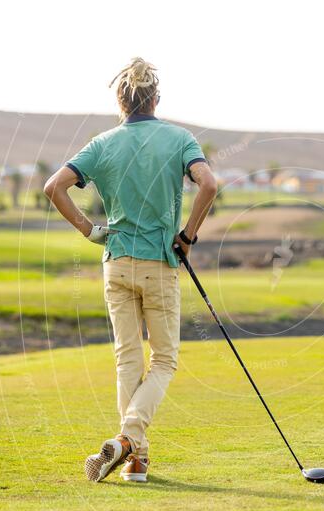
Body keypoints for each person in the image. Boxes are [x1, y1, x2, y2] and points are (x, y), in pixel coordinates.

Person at [43, 57, 217, 483]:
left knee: (128, 359)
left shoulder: (102, 144)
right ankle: (127, 440)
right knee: (165, 361)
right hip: (159, 264)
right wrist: (188, 235)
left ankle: (137, 461)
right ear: (155, 99)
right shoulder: (179, 138)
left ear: (120, 102)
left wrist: (90, 230)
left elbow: (54, 188)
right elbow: (208, 184)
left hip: (116, 262)